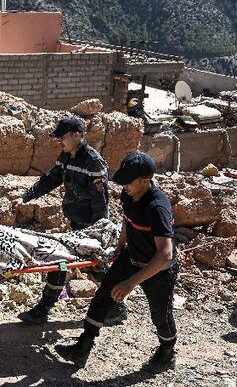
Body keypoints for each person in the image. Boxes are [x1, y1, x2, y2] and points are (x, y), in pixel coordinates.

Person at [55, 151, 179, 374]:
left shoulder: (157, 207)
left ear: (145, 180)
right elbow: (127, 220)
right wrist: (120, 245)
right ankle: (82, 347)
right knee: (103, 296)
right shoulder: (129, 194)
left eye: (128, 182)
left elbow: (165, 254)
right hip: (131, 257)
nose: (124, 186)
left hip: (158, 269)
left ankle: (167, 352)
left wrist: (131, 283)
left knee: (161, 315)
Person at [10, 116, 109, 325]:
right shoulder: (66, 157)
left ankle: (116, 306)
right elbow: (48, 181)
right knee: (58, 263)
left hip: (90, 229)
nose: (59, 141)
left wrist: (98, 235)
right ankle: (43, 310)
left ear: (77, 136)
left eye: (62, 137)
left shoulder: (93, 162)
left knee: (96, 269)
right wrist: (24, 197)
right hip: (74, 224)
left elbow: (101, 203)